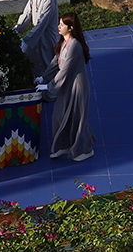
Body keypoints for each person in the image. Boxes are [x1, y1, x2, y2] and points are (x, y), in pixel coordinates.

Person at [45, 12, 95, 161]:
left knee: (77, 118)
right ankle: (65, 145)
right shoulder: (63, 43)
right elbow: (55, 63)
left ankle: (86, 149)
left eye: (62, 24)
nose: (58, 26)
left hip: (77, 86)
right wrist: (43, 77)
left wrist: (49, 86)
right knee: (58, 116)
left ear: (71, 28)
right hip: (66, 84)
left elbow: (64, 70)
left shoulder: (74, 45)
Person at [16, 0, 61, 75]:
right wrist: (17, 29)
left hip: (47, 36)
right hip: (36, 35)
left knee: (48, 62)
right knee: (35, 62)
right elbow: (27, 13)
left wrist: (26, 40)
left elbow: (42, 23)